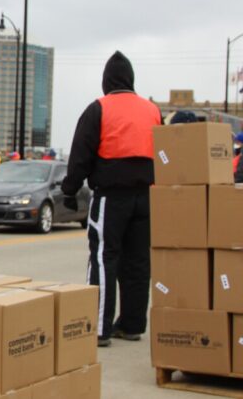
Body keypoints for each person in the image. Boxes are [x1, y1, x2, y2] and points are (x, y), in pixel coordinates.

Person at [62, 51, 162, 348]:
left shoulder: (98, 109)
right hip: (146, 196)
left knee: (104, 257)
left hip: (111, 197)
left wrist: (70, 189)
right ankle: (132, 325)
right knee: (138, 261)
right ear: (131, 80)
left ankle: (100, 327)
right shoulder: (152, 110)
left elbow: (80, 154)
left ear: (106, 81)